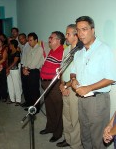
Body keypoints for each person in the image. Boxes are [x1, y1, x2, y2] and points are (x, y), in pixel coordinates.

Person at [71, 16, 116, 149]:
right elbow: (73, 71)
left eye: (84, 29)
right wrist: (73, 80)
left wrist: (89, 87)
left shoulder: (104, 49)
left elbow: (111, 77)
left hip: (97, 100)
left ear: (93, 30)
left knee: (97, 140)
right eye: (78, 30)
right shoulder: (79, 51)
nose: (80, 34)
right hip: (81, 99)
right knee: (85, 136)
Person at [56, 24, 83, 148]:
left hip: (74, 89)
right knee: (65, 116)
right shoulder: (66, 49)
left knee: (74, 118)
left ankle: (75, 145)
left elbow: (78, 73)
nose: (66, 36)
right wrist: (62, 85)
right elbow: (62, 69)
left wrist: (67, 86)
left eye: (68, 34)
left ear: (75, 35)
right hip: (64, 87)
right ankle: (67, 139)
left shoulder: (81, 51)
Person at [40, 31, 65, 142]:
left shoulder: (62, 51)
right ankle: (50, 127)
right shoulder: (52, 50)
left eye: (51, 37)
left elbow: (63, 70)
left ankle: (58, 133)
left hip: (54, 84)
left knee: (58, 109)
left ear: (58, 40)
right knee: (49, 108)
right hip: (46, 84)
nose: (49, 39)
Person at [22, 32, 44, 113]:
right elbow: (25, 60)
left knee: (34, 91)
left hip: (34, 71)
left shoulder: (39, 49)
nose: (29, 42)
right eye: (28, 40)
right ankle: (29, 105)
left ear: (36, 40)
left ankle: (36, 108)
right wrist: (24, 68)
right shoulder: (28, 48)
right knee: (27, 89)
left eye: (31, 40)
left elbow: (34, 63)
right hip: (26, 70)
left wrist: (26, 68)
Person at [6, 39, 22, 106]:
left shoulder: (17, 52)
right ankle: (12, 99)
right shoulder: (10, 52)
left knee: (16, 85)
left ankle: (18, 100)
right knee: (10, 85)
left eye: (10, 44)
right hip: (9, 70)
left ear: (13, 45)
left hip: (15, 70)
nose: (9, 45)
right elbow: (7, 61)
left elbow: (15, 62)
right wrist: (7, 69)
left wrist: (8, 68)